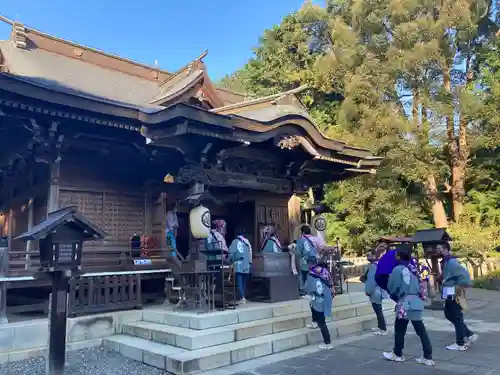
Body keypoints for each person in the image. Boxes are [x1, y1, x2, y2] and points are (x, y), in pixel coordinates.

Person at [383, 248, 434, 366]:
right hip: (416, 301)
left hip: (404, 302)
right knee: (421, 330)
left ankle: (397, 354)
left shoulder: (397, 269)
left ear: (398, 257)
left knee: (400, 330)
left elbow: (392, 286)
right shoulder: (413, 269)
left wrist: (394, 296)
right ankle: (428, 357)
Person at [437, 243, 478, 351]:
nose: (437, 251)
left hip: (453, 293)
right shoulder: (446, 262)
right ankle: (469, 334)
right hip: (448, 292)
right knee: (449, 314)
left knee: (456, 316)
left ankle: (460, 343)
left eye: (439, 249)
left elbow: (465, 276)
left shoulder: (451, 262)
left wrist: (460, 287)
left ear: (445, 249)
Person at [304, 256, 334, 350]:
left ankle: (327, 342)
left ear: (309, 263)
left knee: (322, 322)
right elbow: (330, 281)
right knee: (315, 310)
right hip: (327, 296)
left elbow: (307, 288)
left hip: (318, 299)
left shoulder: (310, 275)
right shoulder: (324, 270)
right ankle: (314, 322)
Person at [363, 251, 387, 335]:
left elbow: (371, 281)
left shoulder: (373, 266)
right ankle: (380, 326)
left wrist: (368, 291)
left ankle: (383, 328)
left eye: (369, 255)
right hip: (378, 290)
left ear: (374, 255)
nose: (367, 257)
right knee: (378, 310)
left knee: (378, 310)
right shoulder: (378, 265)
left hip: (375, 291)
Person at [228, 232, 252, 304]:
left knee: (239, 283)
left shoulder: (235, 241)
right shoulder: (247, 242)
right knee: (244, 283)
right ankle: (244, 297)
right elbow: (250, 253)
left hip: (238, 264)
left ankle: (242, 298)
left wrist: (230, 260)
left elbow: (231, 253)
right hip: (246, 264)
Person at [296, 225, 318, 293]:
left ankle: (304, 289)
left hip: (304, 261)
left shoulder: (300, 241)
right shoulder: (315, 239)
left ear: (302, 232)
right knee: (313, 273)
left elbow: (298, 252)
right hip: (314, 259)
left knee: (304, 274)